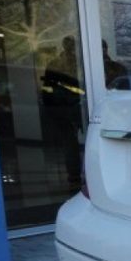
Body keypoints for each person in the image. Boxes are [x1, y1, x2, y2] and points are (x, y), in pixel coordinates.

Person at [42, 36, 83, 186]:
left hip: (64, 107)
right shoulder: (81, 62)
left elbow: (47, 89)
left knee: (70, 141)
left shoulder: (56, 64)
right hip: (70, 106)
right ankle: (76, 176)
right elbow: (48, 88)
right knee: (72, 141)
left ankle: (74, 176)